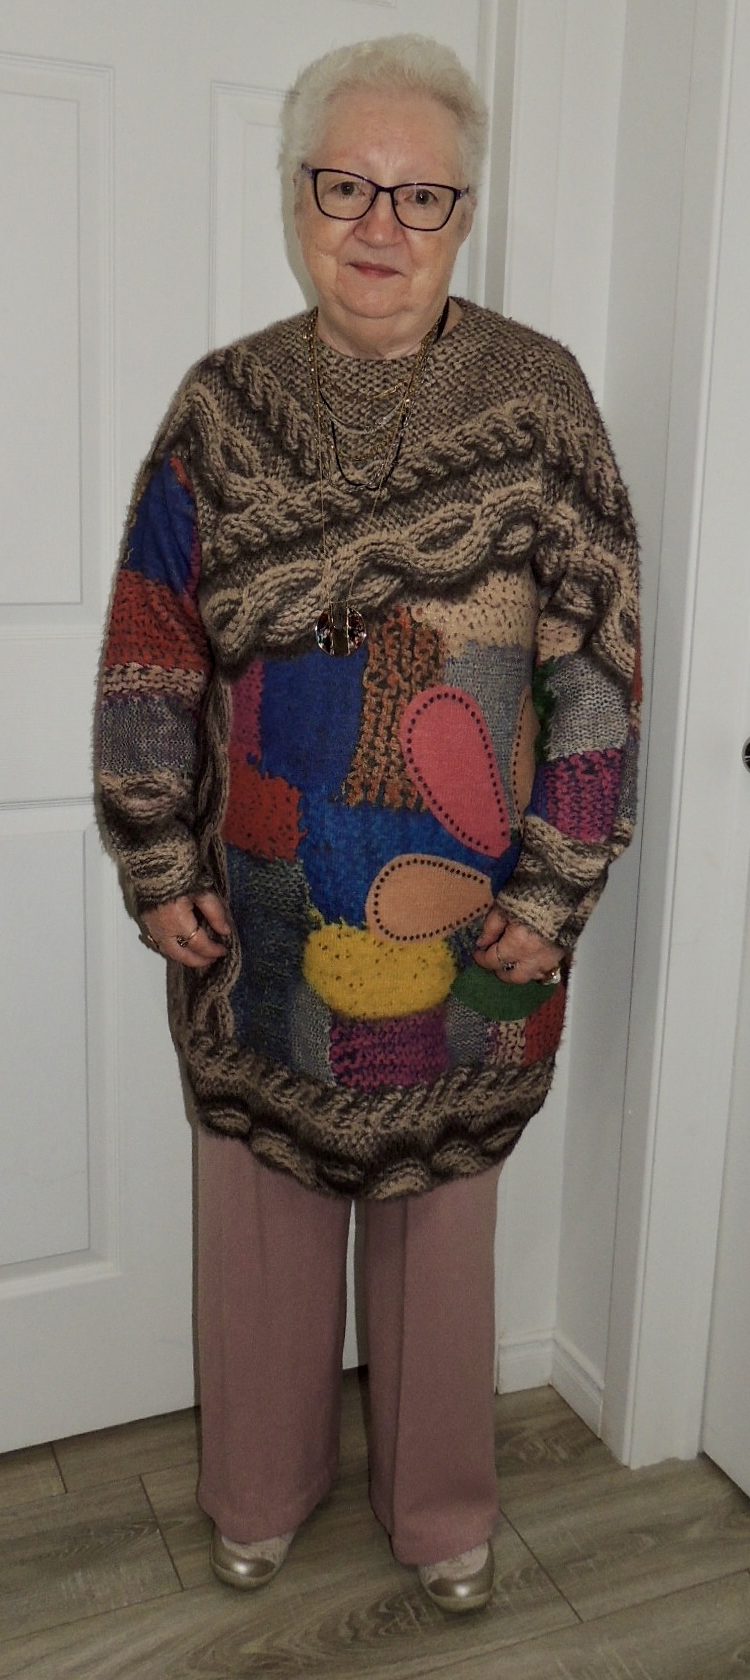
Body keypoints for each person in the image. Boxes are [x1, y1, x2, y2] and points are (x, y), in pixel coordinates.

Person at [94, 34, 640, 1614]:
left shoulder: (537, 400)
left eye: (420, 195)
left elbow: (595, 664)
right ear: (298, 197)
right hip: (252, 916)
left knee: (440, 1224)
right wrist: (156, 852)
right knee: (260, 1217)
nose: (379, 225)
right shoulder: (220, 406)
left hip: (470, 921)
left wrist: (554, 885)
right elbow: (150, 643)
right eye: (346, 186)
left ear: (465, 212)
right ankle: (256, 1491)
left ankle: (441, 1509)